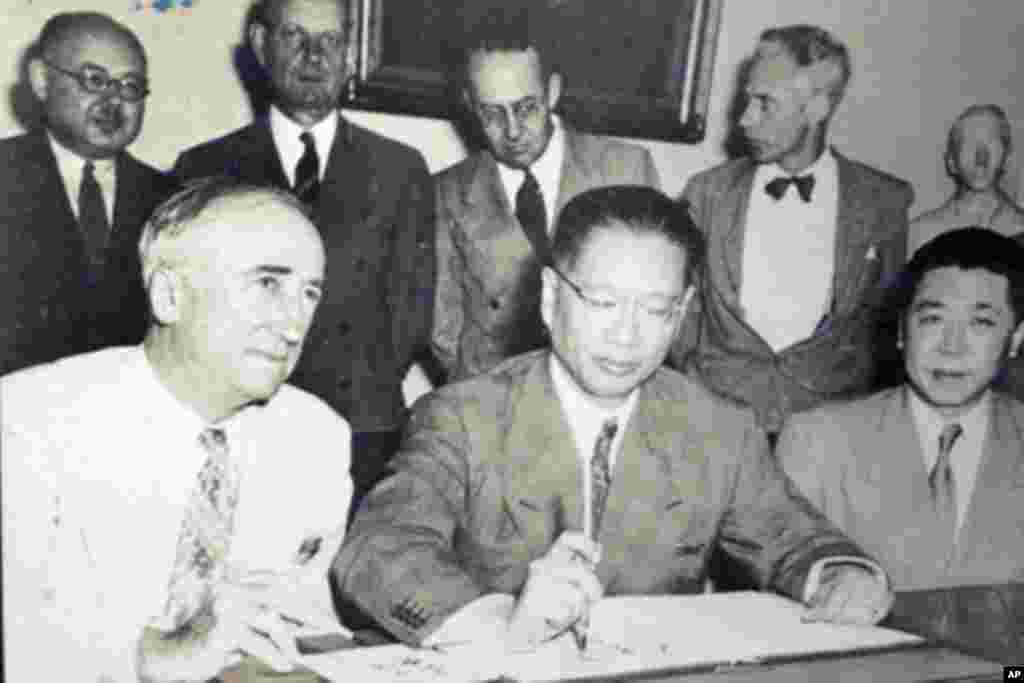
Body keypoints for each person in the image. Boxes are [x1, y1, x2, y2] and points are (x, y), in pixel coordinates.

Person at [333, 185, 891, 646]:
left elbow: (796, 540)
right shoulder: (462, 417)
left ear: (682, 313)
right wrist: (498, 623)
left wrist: (841, 574)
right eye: (602, 303)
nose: (627, 335)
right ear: (550, 296)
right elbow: (378, 548)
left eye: (656, 309)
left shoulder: (719, 430)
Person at [2, 178, 353, 682]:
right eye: (267, 284)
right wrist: (149, 660)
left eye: (310, 293)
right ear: (169, 296)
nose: (294, 323)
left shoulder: (316, 437)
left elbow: (302, 620)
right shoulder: (27, 423)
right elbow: (21, 643)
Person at [174, 0, 434, 510]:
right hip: (240, 426)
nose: (315, 56)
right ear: (260, 44)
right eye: (295, 36)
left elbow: (410, 317)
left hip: (362, 437)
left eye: (331, 41)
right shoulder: (204, 168)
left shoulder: (400, 170)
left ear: (349, 54)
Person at [674, 24, 914, 436]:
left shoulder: (883, 204)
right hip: (715, 423)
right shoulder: (706, 194)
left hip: (828, 433)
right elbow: (682, 317)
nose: (745, 119)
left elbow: (885, 328)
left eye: (765, 103)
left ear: (817, 108)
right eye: (747, 99)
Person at [778, 227, 1024, 591]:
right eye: (933, 319)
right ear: (901, 331)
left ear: (1015, 339)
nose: (951, 347)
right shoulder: (817, 442)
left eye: (981, 322)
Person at [433, 7, 660, 382]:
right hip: (493, 393)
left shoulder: (627, 169)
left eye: (526, 108)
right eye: (492, 113)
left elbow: (654, 298)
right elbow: (442, 328)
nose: (512, 131)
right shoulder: (447, 193)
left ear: (552, 91)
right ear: (469, 105)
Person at [0, 11, 179, 375]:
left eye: (130, 87)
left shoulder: (172, 200)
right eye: (94, 80)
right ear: (41, 80)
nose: (113, 101)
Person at [909, 105, 1024, 254]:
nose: (981, 158)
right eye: (969, 144)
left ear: (1007, 159)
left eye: (992, 143)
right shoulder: (921, 234)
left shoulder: (1020, 228)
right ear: (951, 162)